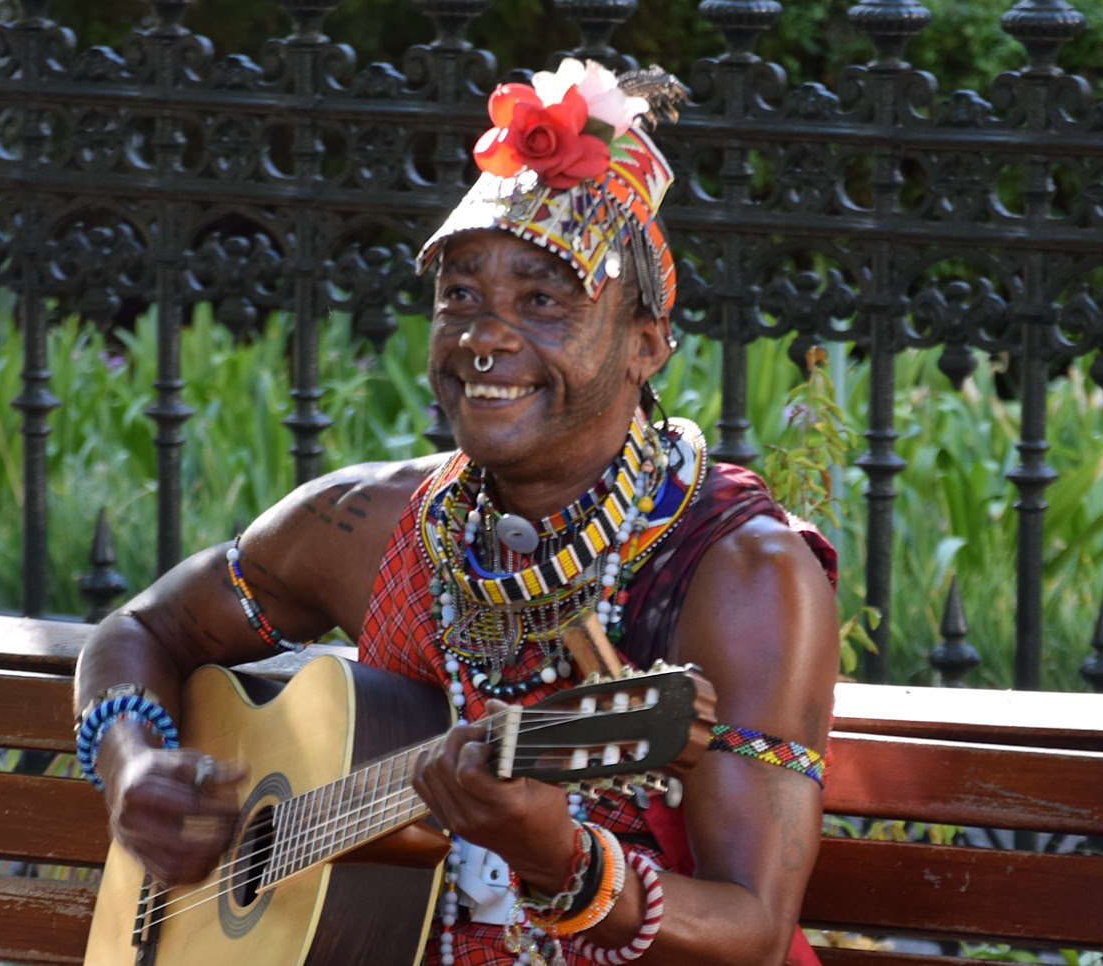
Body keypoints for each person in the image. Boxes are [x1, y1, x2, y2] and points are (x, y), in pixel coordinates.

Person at [73, 58, 839, 966]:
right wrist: (135, 766)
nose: (484, 336)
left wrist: (564, 861)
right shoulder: (368, 520)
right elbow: (143, 628)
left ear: (645, 347)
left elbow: (752, 927)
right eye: (461, 298)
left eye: (544, 300)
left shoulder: (739, 573)